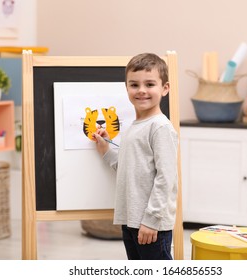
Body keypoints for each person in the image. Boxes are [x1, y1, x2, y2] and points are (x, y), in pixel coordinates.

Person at [92, 53, 178, 260]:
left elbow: (166, 177)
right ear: (126, 88)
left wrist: (151, 219)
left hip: (151, 224)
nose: (141, 91)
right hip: (131, 220)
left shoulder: (160, 127)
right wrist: (105, 149)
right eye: (134, 85)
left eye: (149, 84)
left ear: (164, 88)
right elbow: (127, 167)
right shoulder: (133, 127)